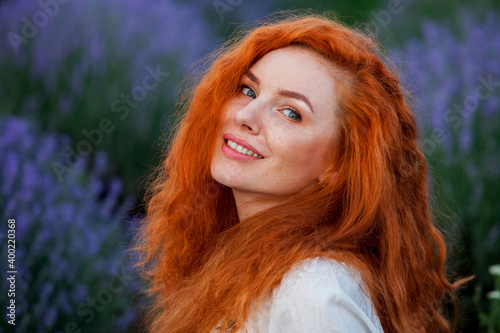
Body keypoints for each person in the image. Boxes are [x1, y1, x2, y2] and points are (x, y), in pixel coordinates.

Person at [135, 13, 469, 332]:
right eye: (248, 90)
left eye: (291, 113)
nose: (246, 114)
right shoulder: (243, 256)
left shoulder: (313, 292)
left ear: (338, 165)